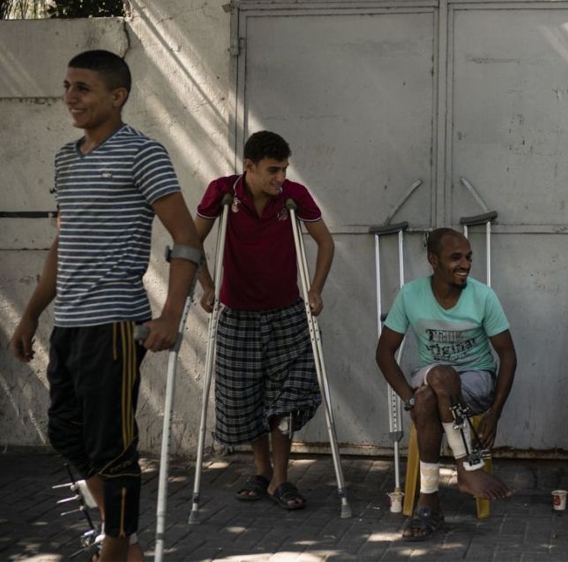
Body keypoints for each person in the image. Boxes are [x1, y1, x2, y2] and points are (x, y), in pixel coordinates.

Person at [9, 50, 201, 562]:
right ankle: (127, 542)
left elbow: (186, 240)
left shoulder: (144, 154)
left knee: (112, 445)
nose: (70, 96)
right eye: (67, 85)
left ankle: (116, 550)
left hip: (116, 322)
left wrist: (169, 315)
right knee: (67, 433)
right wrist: (30, 313)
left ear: (117, 97)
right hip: (69, 322)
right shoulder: (65, 158)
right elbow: (62, 243)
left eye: (83, 88)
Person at [194, 130, 334, 511]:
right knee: (244, 399)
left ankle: (281, 479)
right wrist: (207, 287)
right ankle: (261, 470)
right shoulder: (222, 192)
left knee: (286, 400)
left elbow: (325, 242)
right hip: (237, 314)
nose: (280, 179)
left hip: (286, 312)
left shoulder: (293, 197)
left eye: (284, 170)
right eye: (273, 171)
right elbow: (191, 243)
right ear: (249, 166)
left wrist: (316, 289)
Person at [375, 227, 516, 541]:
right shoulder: (411, 294)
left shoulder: (482, 296)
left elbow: (507, 355)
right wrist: (407, 398)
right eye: (455, 258)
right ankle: (467, 468)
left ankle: (429, 502)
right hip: (430, 373)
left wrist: (494, 413)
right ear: (433, 260)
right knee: (438, 379)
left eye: (468, 257)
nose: (465, 264)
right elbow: (384, 352)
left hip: (476, 381)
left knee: (431, 395)